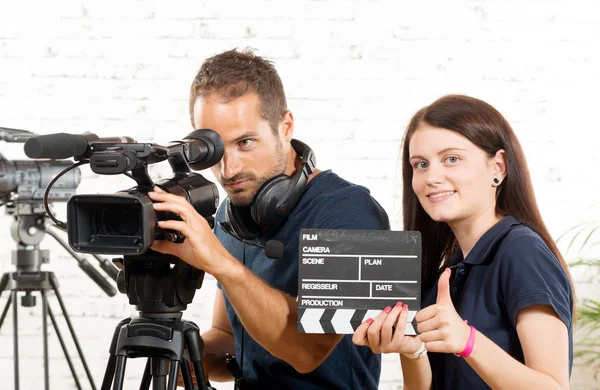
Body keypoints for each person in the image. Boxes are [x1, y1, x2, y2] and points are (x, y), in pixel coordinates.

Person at [148, 48, 390, 389]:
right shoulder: (231, 215)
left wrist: (221, 263)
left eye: (245, 142)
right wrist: (180, 354)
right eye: (215, 150)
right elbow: (226, 339)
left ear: (285, 126)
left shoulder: (351, 213)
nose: (228, 170)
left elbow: (308, 352)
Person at [352, 94, 575, 389]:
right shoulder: (449, 269)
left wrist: (467, 341)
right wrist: (412, 349)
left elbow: (553, 386)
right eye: (420, 164)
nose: (432, 177)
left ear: (498, 167)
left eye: (451, 159)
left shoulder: (522, 253)